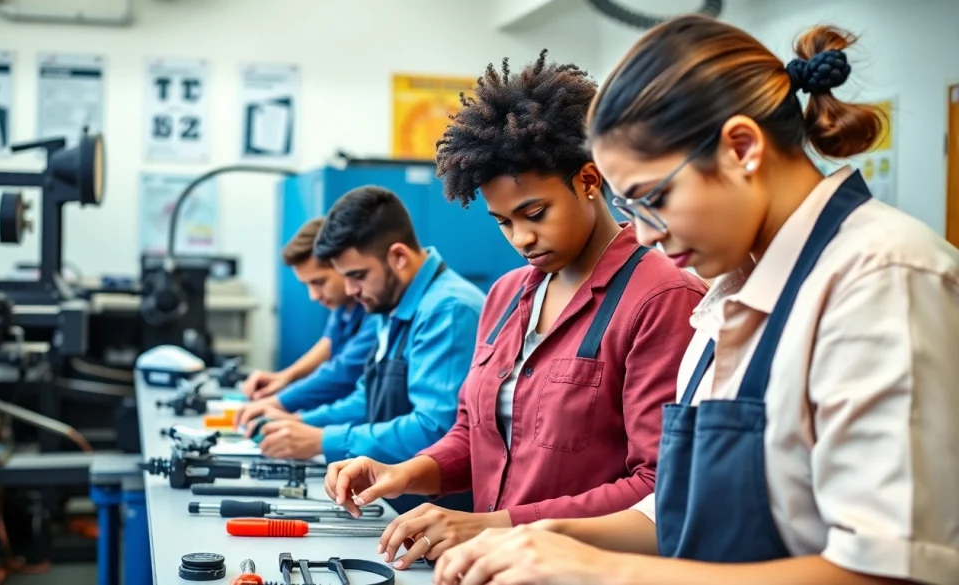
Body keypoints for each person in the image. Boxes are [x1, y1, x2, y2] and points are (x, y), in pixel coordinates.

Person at [428, 15, 959, 585]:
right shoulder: (728, 300)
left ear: (741, 148)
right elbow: (678, 511)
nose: (648, 235)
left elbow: (892, 568)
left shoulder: (882, 277)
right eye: (633, 211)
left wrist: (604, 571)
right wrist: (545, 536)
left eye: (653, 199)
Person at [323, 50, 707, 570]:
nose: (522, 238)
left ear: (590, 181)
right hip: (492, 570)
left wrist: (490, 526)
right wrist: (406, 471)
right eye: (503, 222)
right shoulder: (507, 297)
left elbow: (655, 491)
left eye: (535, 213)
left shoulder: (661, 298)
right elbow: (475, 434)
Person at [246, 186, 486, 500]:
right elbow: (367, 398)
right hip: (399, 492)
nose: (351, 290)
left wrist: (323, 440)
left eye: (357, 275)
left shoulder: (448, 310)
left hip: (441, 505)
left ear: (398, 256)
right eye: (344, 277)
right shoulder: (390, 302)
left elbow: (434, 429)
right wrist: (299, 424)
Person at [235, 217, 377, 423]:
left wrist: (278, 403)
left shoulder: (375, 307)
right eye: (307, 285)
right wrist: (285, 376)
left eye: (319, 282)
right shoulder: (344, 305)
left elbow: (342, 371)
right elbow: (328, 343)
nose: (314, 295)